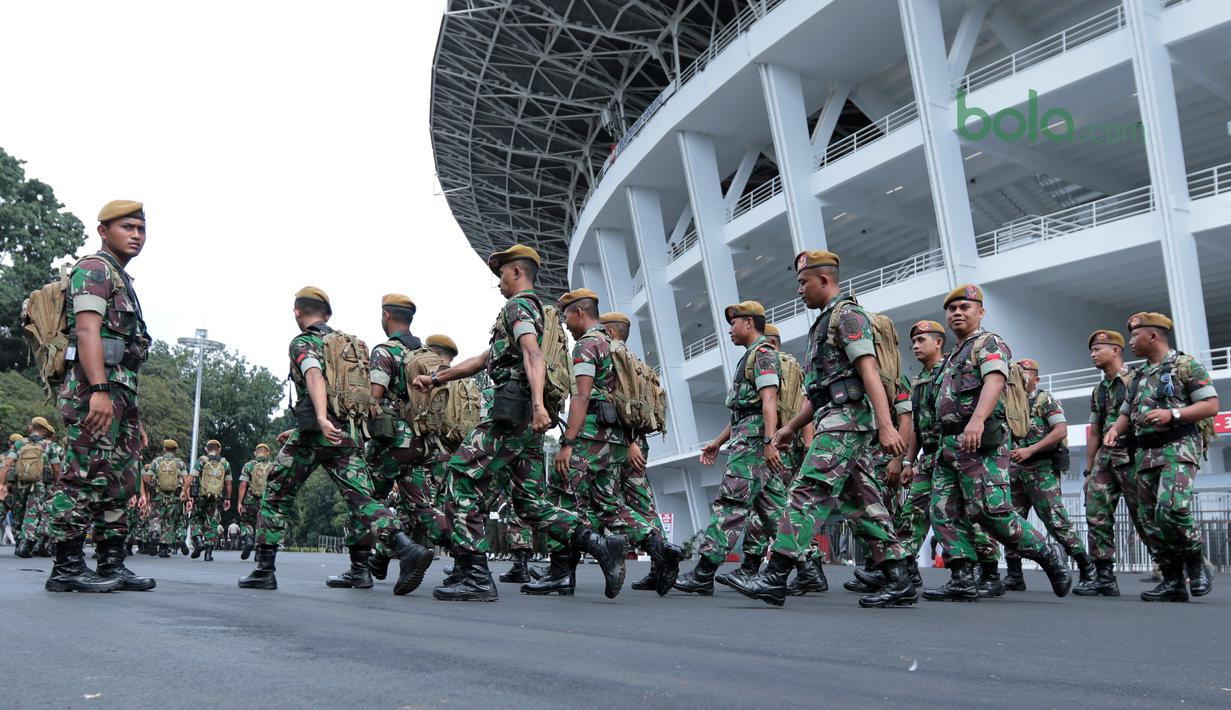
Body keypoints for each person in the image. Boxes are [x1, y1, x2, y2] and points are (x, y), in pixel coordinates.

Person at [412, 245, 624, 602]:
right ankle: (599, 544)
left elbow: (532, 354)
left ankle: (475, 575)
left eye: (501, 275)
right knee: (528, 502)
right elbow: (483, 359)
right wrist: (437, 379)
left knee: (461, 474)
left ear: (516, 273)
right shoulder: (530, 312)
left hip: (511, 411)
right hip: (525, 418)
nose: (498, 283)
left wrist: (539, 405)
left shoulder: (518, 305)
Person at [728, 252, 913, 608]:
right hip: (835, 414)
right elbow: (821, 391)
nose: (799, 290)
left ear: (824, 280)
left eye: (803, 282)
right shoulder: (823, 324)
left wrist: (887, 426)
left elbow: (869, 371)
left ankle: (775, 574)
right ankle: (899, 576)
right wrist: (790, 429)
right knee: (862, 501)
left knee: (807, 489)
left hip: (848, 419)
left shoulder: (847, 316)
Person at [238, 286, 434, 594]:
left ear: (297, 312)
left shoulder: (304, 342)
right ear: (327, 315)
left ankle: (264, 570)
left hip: (315, 433)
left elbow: (313, 375)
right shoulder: (345, 347)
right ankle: (396, 552)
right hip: (346, 434)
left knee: (276, 493)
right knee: (363, 500)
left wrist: (319, 418)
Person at [522, 290, 683, 597]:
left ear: (580, 313)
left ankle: (560, 574)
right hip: (618, 440)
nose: (566, 323)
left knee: (561, 493)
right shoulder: (618, 348)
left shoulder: (587, 345)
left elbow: (581, 395)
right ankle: (660, 548)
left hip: (592, 435)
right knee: (608, 504)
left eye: (567, 315)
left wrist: (568, 441)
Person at [919, 285, 1070, 599]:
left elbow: (995, 379)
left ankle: (1046, 553)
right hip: (949, 446)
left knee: (992, 512)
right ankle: (962, 577)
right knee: (943, 511)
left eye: (965, 307)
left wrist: (976, 419)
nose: (957, 313)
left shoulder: (988, 343)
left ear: (980, 312)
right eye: (952, 309)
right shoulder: (951, 358)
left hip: (981, 442)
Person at [44, 200, 155, 593]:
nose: (136, 235)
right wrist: (100, 392)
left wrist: (133, 418)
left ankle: (112, 563)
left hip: (121, 393)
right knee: (82, 476)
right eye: (127, 227)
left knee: (120, 480)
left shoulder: (122, 279)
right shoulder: (94, 270)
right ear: (104, 231)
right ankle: (66, 567)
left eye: (141, 229)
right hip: (96, 389)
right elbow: (88, 332)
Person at [674, 301, 790, 597]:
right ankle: (810, 569)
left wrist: (767, 442)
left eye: (734, 323)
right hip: (747, 436)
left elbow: (768, 401)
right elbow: (742, 411)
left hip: (752, 444)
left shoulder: (762, 354)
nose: (730, 329)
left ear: (749, 323)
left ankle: (703, 572)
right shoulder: (751, 357)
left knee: (730, 505)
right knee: (774, 509)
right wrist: (718, 441)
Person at [1102, 312, 1219, 602]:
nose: (1130, 342)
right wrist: (1115, 430)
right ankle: (1172, 580)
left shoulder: (1185, 365)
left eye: (1135, 335)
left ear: (1153, 336)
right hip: (1145, 452)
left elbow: (1211, 405)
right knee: (1148, 520)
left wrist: (1173, 413)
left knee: (1172, 508)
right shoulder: (1139, 375)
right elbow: (1126, 412)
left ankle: (1195, 561)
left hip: (1177, 448)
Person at [896, 321, 1003, 602]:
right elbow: (919, 427)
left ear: (938, 342)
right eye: (914, 341)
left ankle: (989, 571)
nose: (916, 346)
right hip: (929, 456)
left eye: (922, 340)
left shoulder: (950, 370)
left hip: (957, 448)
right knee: (914, 511)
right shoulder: (919, 380)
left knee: (972, 512)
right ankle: (905, 567)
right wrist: (909, 462)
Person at [598, 312, 676, 592]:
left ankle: (653, 558)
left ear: (608, 330)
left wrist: (629, 440)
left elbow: (622, 403)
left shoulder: (615, 357)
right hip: (637, 438)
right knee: (643, 503)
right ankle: (662, 561)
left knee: (604, 498)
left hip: (625, 440)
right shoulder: (636, 361)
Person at [1001, 359, 1094, 591]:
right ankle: (1014, 575)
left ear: (1036, 378)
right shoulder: (1010, 402)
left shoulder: (1045, 399)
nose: (1021, 376)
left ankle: (1087, 568)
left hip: (1041, 469)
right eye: (1018, 372)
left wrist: (1031, 449)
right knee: (1010, 521)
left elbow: (1060, 430)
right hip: (1015, 471)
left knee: (1056, 521)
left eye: (1027, 373)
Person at [1075, 330, 1149, 597]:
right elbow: (1094, 430)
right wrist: (1088, 469)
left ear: (1116, 350)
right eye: (1092, 350)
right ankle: (1104, 576)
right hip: (1105, 460)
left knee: (1144, 517)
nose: (1093, 354)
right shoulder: (1099, 389)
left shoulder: (1137, 380)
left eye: (1098, 349)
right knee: (1096, 516)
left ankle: (1173, 570)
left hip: (1132, 458)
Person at [762, 324, 827, 596]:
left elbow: (805, 402)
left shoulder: (775, 366)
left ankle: (807, 565)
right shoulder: (792, 367)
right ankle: (806, 567)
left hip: (780, 445)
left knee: (784, 505)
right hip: (791, 446)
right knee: (783, 504)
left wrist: (806, 445)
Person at [0, 417, 64, 559]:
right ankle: (25, 543)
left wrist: (1, 485)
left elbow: (7, 465)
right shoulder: (49, 446)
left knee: (19, 512)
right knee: (33, 513)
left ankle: (19, 542)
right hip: (39, 485)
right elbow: (57, 469)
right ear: (44, 430)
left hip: (19, 484)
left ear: (31, 428)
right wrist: (57, 486)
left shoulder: (19, 444)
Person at [187, 439, 230, 561]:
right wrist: (228, 498)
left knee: (195, 518)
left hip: (201, 497)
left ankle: (198, 540)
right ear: (219, 450)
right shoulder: (224, 463)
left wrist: (185, 491)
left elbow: (192, 476)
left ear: (206, 449)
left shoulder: (202, 460)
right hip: (216, 498)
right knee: (212, 523)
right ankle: (208, 554)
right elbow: (229, 482)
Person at [147, 440, 188, 558]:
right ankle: (164, 550)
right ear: (175, 450)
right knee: (168, 521)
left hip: (158, 495)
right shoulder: (180, 463)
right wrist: (186, 495)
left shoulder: (156, 461)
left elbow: (148, 478)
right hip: (174, 496)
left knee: (156, 517)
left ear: (164, 448)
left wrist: (149, 493)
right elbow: (186, 481)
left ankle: (154, 535)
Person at [234, 443, 273, 560]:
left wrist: (239, 502)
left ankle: (249, 539)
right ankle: (259, 552)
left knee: (246, 522)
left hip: (251, 501)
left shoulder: (249, 465)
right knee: (263, 526)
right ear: (268, 453)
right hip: (267, 502)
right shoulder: (274, 467)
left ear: (255, 453)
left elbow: (243, 484)